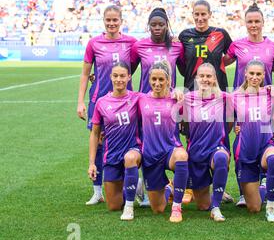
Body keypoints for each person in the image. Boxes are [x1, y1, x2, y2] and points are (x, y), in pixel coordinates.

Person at [223, 2, 274, 207]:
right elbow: (222, 63)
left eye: (257, 21)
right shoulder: (237, 46)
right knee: (241, 143)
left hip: (266, 106)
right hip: (242, 104)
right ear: (245, 23)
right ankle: (244, 192)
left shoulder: (273, 47)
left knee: (266, 144)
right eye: (250, 21)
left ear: (263, 22)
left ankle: (265, 181)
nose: (253, 25)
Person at [77, 5, 137, 206]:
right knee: (99, 143)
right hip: (99, 101)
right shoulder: (94, 43)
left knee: (131, 141)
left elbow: (139, 61)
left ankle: (137, 185)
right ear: (104, 21)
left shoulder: (130, 42)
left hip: (125, 102)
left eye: (115, 20)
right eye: (108, 20)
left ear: (121, 21)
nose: (112, 23)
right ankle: (97, 191)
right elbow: (86, 74)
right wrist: (80, 102)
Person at [179, 0, 234, 203]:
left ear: (210, 14)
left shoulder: (221, 34)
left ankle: (220, 187)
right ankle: (193, 186)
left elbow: (231, 55)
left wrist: (218, 65)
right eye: (197, 14)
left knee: (221, 141)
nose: (200, 18)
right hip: (193, 95)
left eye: (204, 14)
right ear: (192, 15)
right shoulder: (185, 36)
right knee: (192, 140)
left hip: (217, 96)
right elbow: (182, 64)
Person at [87, 63, 141, 221]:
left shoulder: (137, 97)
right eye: (115, 76)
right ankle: (134, 186)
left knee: (130, 158)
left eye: (122, 76)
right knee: (113, 206)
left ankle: (129, 206)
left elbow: (157, 96)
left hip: (133, 150)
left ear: (129, 77)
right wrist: (92, 163)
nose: (119, 79)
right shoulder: (102, 102)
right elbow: (95, 133)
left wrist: (178, 92)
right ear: (110, 77)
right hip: (111, 155)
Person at [138, 61, 189, 223]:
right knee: (158, 209)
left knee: (182, 156)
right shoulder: (141, 99)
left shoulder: (177, 98)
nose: (157, 83)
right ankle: (169, 187)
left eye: (161, 79)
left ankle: (177, 207)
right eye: (154, 79)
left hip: (170, 150)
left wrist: (180, 92)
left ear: (168, 80)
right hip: (150, 155)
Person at [182, 63, 232, 222]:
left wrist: (269, 91)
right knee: (202, 205)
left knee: (221, 158)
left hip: (216, 147)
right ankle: (215, 191)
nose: (205, 79)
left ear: (215, 78)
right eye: (202, 76)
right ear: (196, 78)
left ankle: (216, 207)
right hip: (196, 151)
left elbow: (248, 96)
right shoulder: (187, 98)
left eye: (209, 76)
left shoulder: (224, 97)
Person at [232, 60, 274, 222]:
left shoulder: (269, 94)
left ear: (264, 75)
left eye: (258, 74)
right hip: (246, 149)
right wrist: (235, 126)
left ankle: (271, 207)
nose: (254, 77)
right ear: (245, 73)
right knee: (253, 208)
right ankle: (262, 187)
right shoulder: (234, 96)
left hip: (266, 145)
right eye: (251, 73)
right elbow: (225, 116)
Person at [130, 7, 185, 93]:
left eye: (161, 24)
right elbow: (128, 73)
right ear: (149, 26)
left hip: (169, 100)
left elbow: (184, 72)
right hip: (145, 100)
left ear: (167, 25)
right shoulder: (138, 46)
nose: (157, 28)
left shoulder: (177, 47)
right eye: (153, 25)